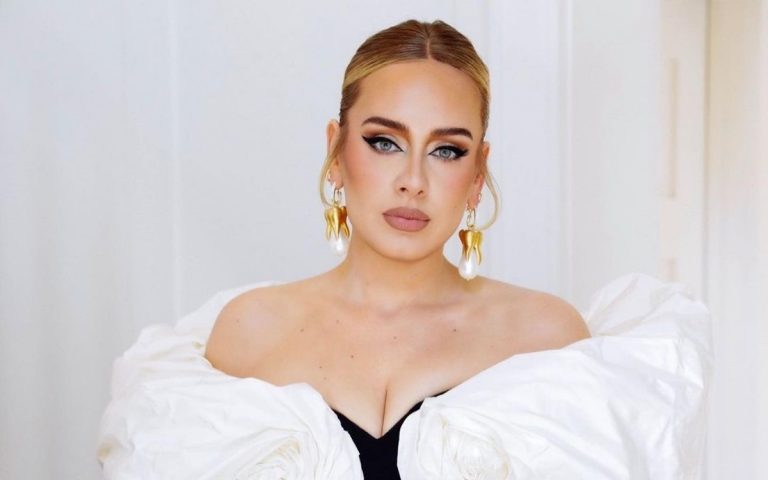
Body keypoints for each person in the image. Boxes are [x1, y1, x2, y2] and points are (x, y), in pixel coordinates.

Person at [97, 19, 713, 480]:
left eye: (446, 150)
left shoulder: (545, 335)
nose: (413, 179)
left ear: (478, 173)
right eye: (384, 142)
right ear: (336, 150)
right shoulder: (249, 330)